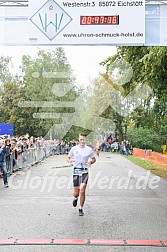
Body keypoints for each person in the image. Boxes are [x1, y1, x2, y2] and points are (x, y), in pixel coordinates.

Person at [66, 133, 96, 216]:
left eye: (83, 140)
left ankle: (80, 208)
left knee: (82, 190)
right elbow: (67, 157)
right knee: (76, 192)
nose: (82, 141)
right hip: (76, 170)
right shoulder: (74, 148)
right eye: (81, 139)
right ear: (78, 140)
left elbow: (94, 159)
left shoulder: (89, 149)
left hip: (84, 171)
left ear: (85, 140)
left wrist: (90, 162)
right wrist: (69, 160)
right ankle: (75, 198)